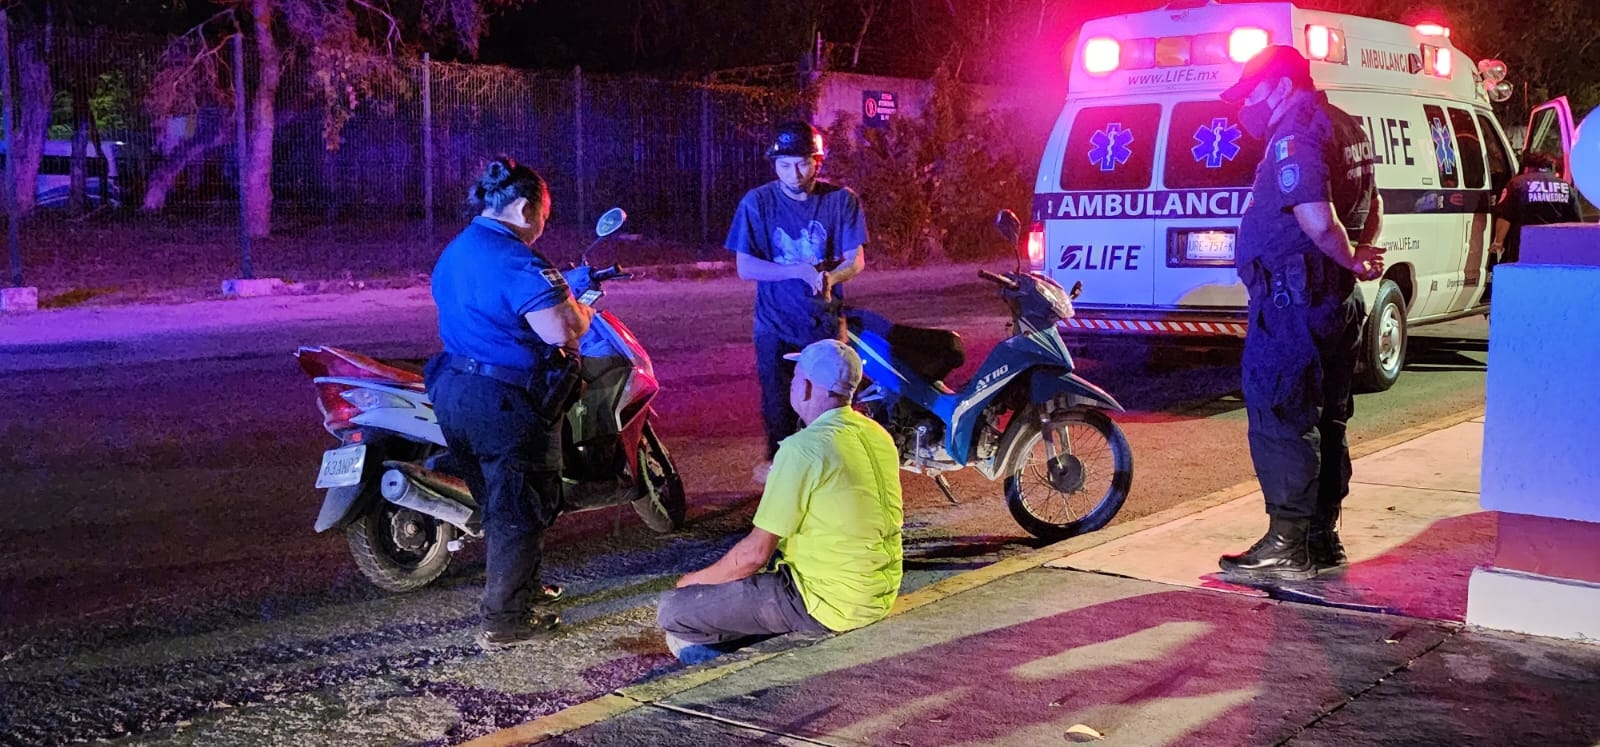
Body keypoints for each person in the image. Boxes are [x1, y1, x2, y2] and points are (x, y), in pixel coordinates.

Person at [1216, 46, 1387, 583]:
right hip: (1332, 299)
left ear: (1283, 85)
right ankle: (1321, 538)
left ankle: (1286, 544)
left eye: (1253, 93)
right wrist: (1354, 257)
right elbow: (1373, 206)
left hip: (1294, 301)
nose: (1247, 106)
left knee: (1282, 413)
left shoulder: (1296, 133)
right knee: (1328, 418)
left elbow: (1318, 218)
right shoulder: (1346, 126)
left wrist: (1347, 254)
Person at [424, 157, 595, 650]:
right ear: (522, 208)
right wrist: (581, 309)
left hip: (456, 392)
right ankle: (506, 620)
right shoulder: (518, 259)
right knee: (521, 507)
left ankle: (523, 584)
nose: (544, 225)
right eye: (544, 214)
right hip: (505, 401)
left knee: (501, 501)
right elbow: (559, 328)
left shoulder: (457, 250)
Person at [656, 339, 903, 664]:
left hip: (827, 603)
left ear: (806, 388)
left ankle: (735, 665)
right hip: (878, 594)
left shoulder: (803, 449)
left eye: (796, 376)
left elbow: (754, 554)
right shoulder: (876, 434)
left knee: (674, 610)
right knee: (728, 595)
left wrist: (691, 582)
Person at [726, 121, 869, 484]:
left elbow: (856, 259)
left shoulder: (841, 200)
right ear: (774, 165)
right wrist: (797, 271)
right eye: (784, 164)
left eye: (803, 163)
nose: (794, 173)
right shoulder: (757, 202)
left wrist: (830, 278)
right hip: (774, 326)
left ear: (818, 162)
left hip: (824, 323)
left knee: (832, 407)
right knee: (778, 408)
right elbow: (745, 266)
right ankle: (783, 482)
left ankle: (834, 479)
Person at [1488, 151, 1583, 271]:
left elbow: (1505, 215)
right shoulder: (1565, 187)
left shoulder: (1517, 184)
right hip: (1555, 251)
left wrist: (1498, 242)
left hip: (1522, 250)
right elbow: (1576, 222)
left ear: (1527, 167)